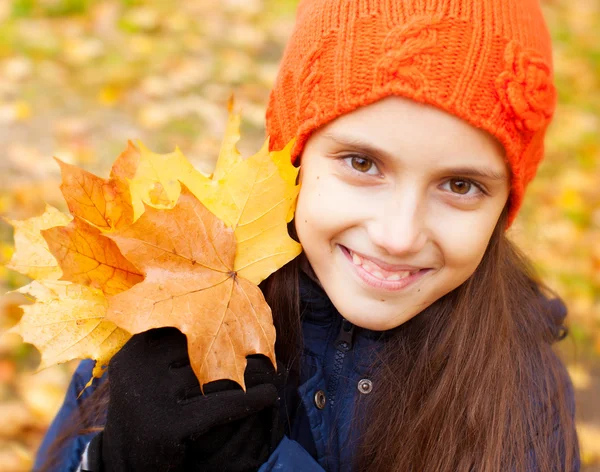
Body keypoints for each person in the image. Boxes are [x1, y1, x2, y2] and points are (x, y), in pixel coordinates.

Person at [34, 0, 580, 470]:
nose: (397, 234)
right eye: (363, 163)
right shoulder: (169, 299)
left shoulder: (521, 388)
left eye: (460, 184)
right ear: (294, 154)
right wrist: (111, 459)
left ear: (504, 204)